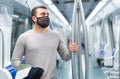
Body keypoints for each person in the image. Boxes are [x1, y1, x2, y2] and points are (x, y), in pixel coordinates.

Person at [11, 5, 78, 79]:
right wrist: (30, 71)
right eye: (43, 14)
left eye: (47, 14)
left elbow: (66, 57)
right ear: (34, 18)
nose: (46, 17)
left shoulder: (56, 36)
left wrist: (70, 51)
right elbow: (15, 61)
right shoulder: (24, 37)